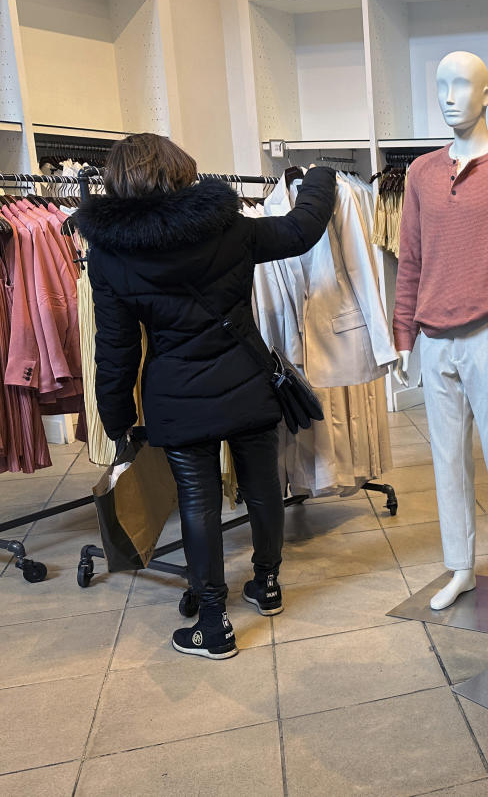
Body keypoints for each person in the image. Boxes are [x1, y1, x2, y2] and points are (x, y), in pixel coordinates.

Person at [77, 134, 336, 660]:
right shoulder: (227, 227)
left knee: (199, 503)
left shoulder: (111, 254)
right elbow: (302, 229)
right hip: (246, 379)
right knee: (263, 488)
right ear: (177, 170)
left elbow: (117, 348)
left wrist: (116, 416)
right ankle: (266, 586)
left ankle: (213, 624)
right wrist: (320, 177)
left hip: (178, 395)